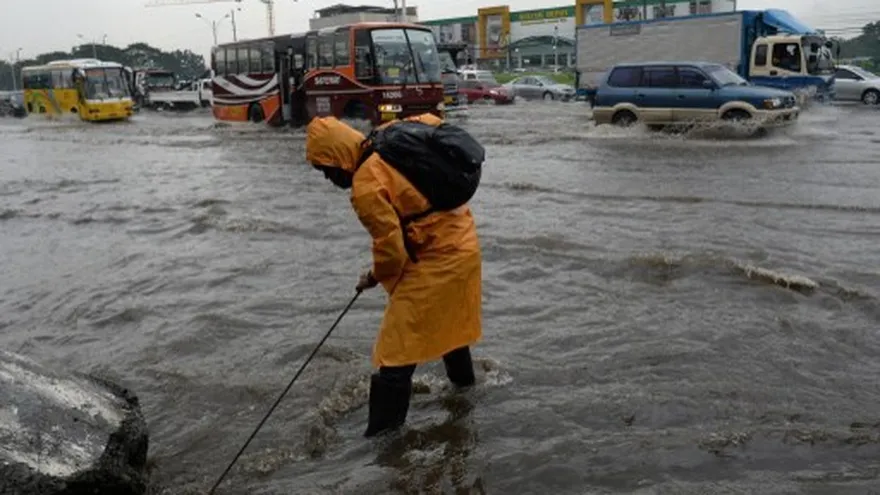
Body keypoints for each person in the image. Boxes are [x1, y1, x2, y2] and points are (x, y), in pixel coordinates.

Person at [305, 113, 482, 437]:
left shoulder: (365, 185)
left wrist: (374, 277)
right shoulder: (389, 132)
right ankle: (466, 399)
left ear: (338, 158)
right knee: (451, 329)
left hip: (436, 260)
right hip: (463, 241)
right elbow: (432, 121)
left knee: (394, 355)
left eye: (327, 170)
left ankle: (383, 443)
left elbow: (392, 252)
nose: (329, 179)